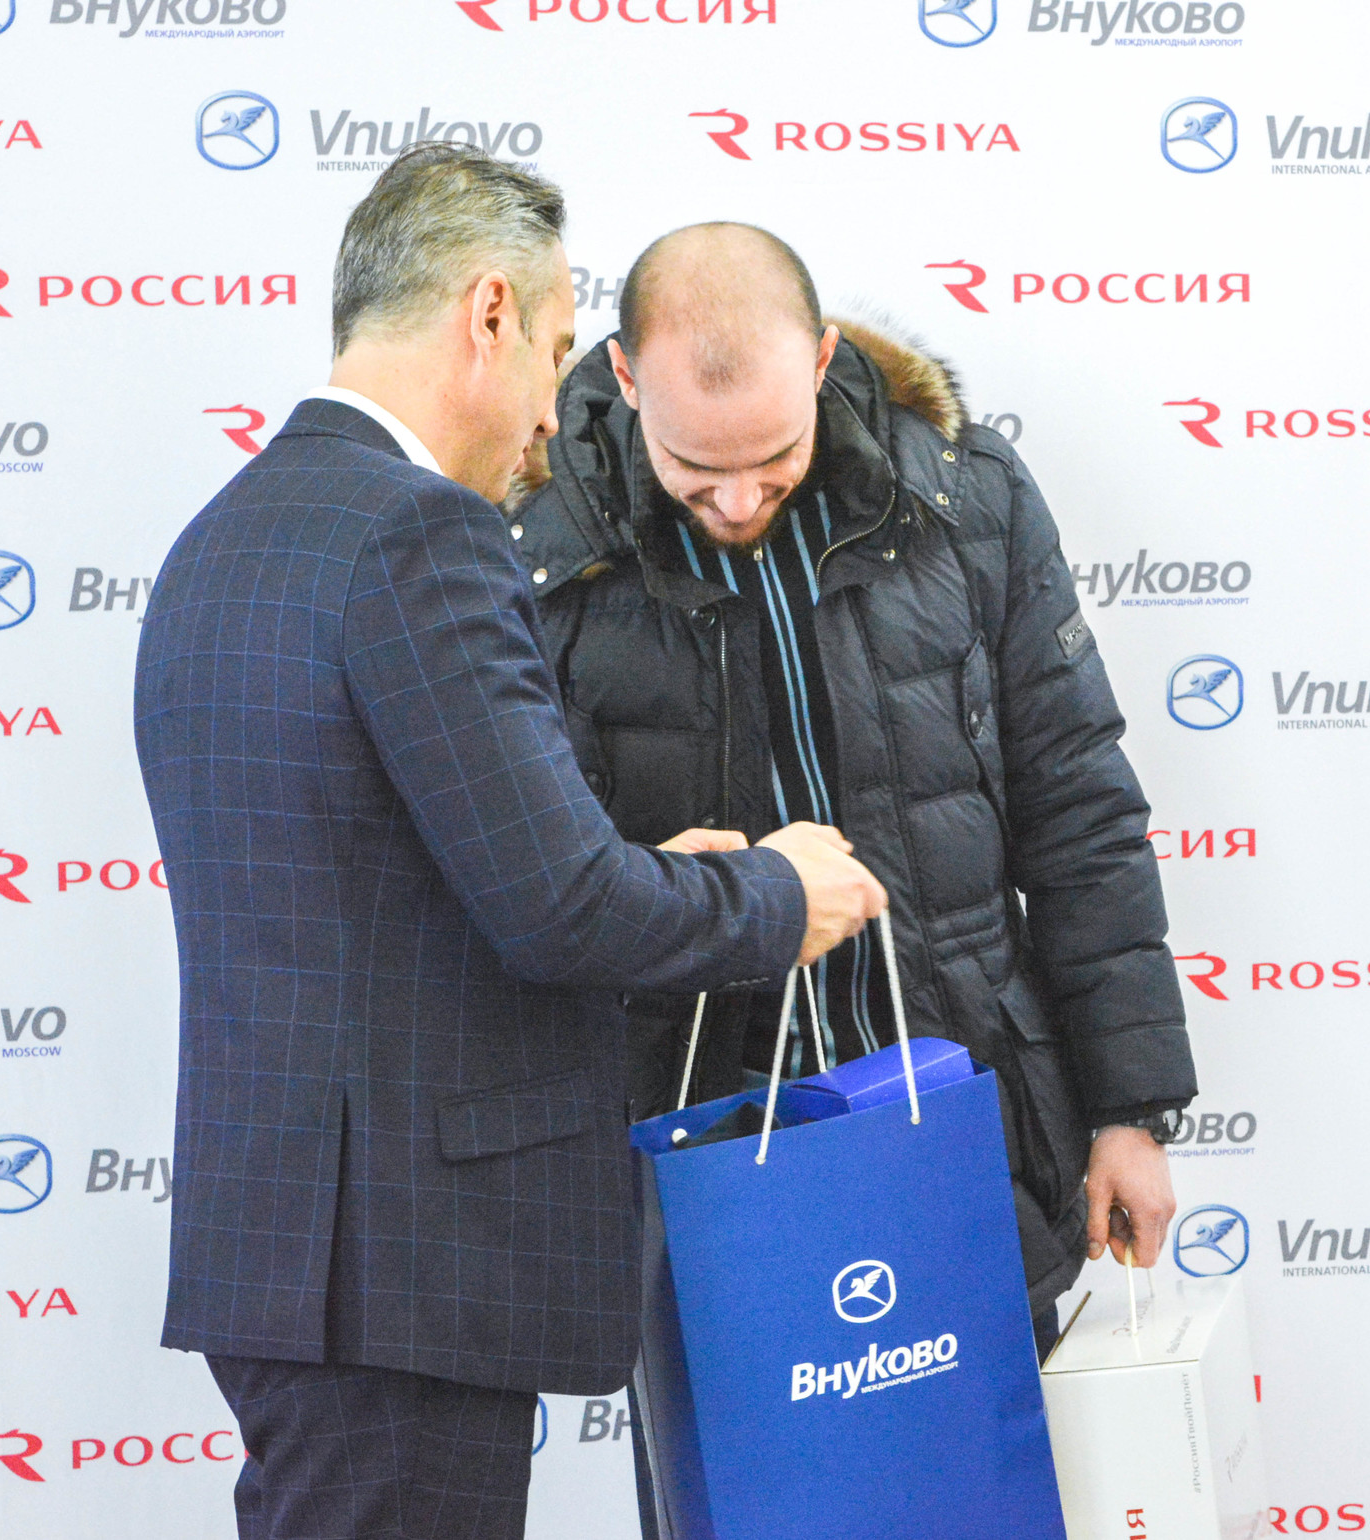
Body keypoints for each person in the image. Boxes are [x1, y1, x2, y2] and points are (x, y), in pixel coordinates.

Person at [133, 148, 886, 1540]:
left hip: (295, 1262)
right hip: (405, 1274)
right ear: (487, 313)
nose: (553, 412)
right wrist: (774, 892)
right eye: (552, 350)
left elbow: (401, 879)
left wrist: (665, 872)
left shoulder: (222, 538)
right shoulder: (420, 533)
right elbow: (560, 906)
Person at [512, 222, 1196, 1344]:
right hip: (703, 1148)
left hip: (959, 1122)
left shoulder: (963, 496)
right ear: (626, 379)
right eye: (696, 469)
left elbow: (1077, 803)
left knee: (987, 1451)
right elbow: (541, 886)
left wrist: (1130, 1107)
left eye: (772, 457)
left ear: (823, 360)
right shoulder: (538, 550)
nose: (740, 501)